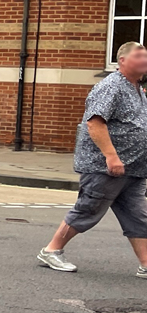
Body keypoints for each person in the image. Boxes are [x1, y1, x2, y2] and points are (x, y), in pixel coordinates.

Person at [36, 42, 147, 277]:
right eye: (139, 55)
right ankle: (51, 250)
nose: (145, 59)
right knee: (89, 209)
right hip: (106, 166)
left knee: (138, 216)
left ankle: (146, 263)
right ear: (123, 61)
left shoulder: (137, 89)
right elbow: (94, 122)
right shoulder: (111, 86)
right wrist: (111, 156)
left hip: (134, 167)